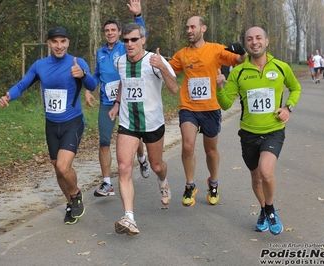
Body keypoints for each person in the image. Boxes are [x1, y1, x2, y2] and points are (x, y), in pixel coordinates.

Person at [0, 26, 96, 225]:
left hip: (72, 122)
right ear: (49, 44)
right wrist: (9, 95)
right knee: (57, 169)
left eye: (63, 41)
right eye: (55, 42)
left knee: (63, 165)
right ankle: (70, 203)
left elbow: (93, 86)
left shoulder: (77, 62)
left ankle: (76, 193)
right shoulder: (40, 65)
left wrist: (83, 74)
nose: (59, 46)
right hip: (51, 125)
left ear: (68, 42)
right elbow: (22, 84)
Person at [215, 26, 301, 235]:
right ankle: (263, 210)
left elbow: (296, 88)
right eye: (250, 39)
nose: (255, 42)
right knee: (255, 177)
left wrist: (288, 107)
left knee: (266, 171)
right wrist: (219, 87)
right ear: (246, 44)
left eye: (258, 38)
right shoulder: (239, 71)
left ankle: (270, 209)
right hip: (248, 134)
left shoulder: (281, 67)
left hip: (273, 130)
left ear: (267, 41)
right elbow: (226, 104)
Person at [168, 16, 246, 207]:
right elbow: (169, 71)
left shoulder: (215, 49)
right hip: (189, 107)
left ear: (203, 28)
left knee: (210, 150)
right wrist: (158, 63)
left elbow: (239, 60)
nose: (189, 30)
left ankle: (213, 182)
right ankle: (190, 184)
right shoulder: (182, 54)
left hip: (211, 108)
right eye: (187, 27)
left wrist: (242, 51)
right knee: (187, 146)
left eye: (192, 27)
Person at [108, 22, 178, 235]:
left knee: (157, 166)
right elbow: (123, 81)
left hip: (153, 123)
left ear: (143, 40)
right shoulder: (119, 61)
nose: (129, 44)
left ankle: (163, 181)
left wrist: (162, 67)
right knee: (123, 167)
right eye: (126, 40)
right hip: (128, 123)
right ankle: (129, 217)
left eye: (134, 40)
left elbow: (174, 89)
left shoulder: (154, 61)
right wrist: (117, 103)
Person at [86, 0, 150, 198]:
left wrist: (137, 16)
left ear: (119, 32)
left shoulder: (126, 47)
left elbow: (141, 36)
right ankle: (107, 184)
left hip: (128, 101)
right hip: (107, 103)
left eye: (113, 30)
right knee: (104, 141)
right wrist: (88, 89)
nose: (110, 33)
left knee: (135, 135)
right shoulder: (100, 52)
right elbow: (96, 75)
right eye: (107, 30)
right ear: (104, 33)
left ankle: (142, 157)